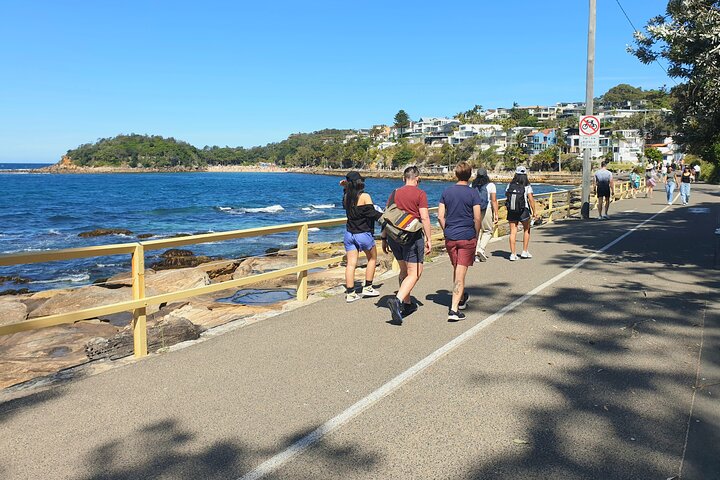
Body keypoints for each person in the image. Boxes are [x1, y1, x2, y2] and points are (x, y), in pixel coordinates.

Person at [382, 165, 433, 325]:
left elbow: (386, 216)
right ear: (417, 178)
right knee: (415, 273)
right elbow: (424, 218)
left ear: (404, 178)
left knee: (404, 271)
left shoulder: (394, 193)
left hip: (394, 236)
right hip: (411, 237)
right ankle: (397, 300)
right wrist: (429, 239)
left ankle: (407, 303)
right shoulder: (420, 193)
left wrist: (383, 237)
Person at [438, 162, 482, 321]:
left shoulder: (446, 192)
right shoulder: (473, 193)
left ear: (456, 174)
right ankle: (454, 310)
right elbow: (477, 217)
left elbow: (440, 216)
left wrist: (446, 229)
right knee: (460, 274)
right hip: (466, 236)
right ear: (470, 175)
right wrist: (475, 234)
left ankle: (461, 298)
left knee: (457, 269)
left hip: (451, 237)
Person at [341, 171, 382, 302]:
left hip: (349, 234)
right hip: (363, 233)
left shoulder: (346, 196)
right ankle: (368, 287)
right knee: (372, 259)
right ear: (359, 183)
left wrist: (344, 188)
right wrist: (384, 217)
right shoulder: (364, 196)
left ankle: (350, 293)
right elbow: (371, 213)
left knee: (351, 264)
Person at [505, 166, 537, 261]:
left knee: (513, 232)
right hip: (524, 210)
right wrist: (534, 212)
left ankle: (513, 254)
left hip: (512, 210)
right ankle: (524, 251)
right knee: (526, 230)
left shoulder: (510, 185)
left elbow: (507, 196)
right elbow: (531, 199)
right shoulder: (527, 186)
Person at [471, 168, 498, 263]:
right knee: (488, 230)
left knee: (476, 231)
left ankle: (475, 255)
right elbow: (494, 200)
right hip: (486, 209)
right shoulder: (491, 185)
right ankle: (481, 249)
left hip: (474, 210)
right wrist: (496, 214)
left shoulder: (472, 185)